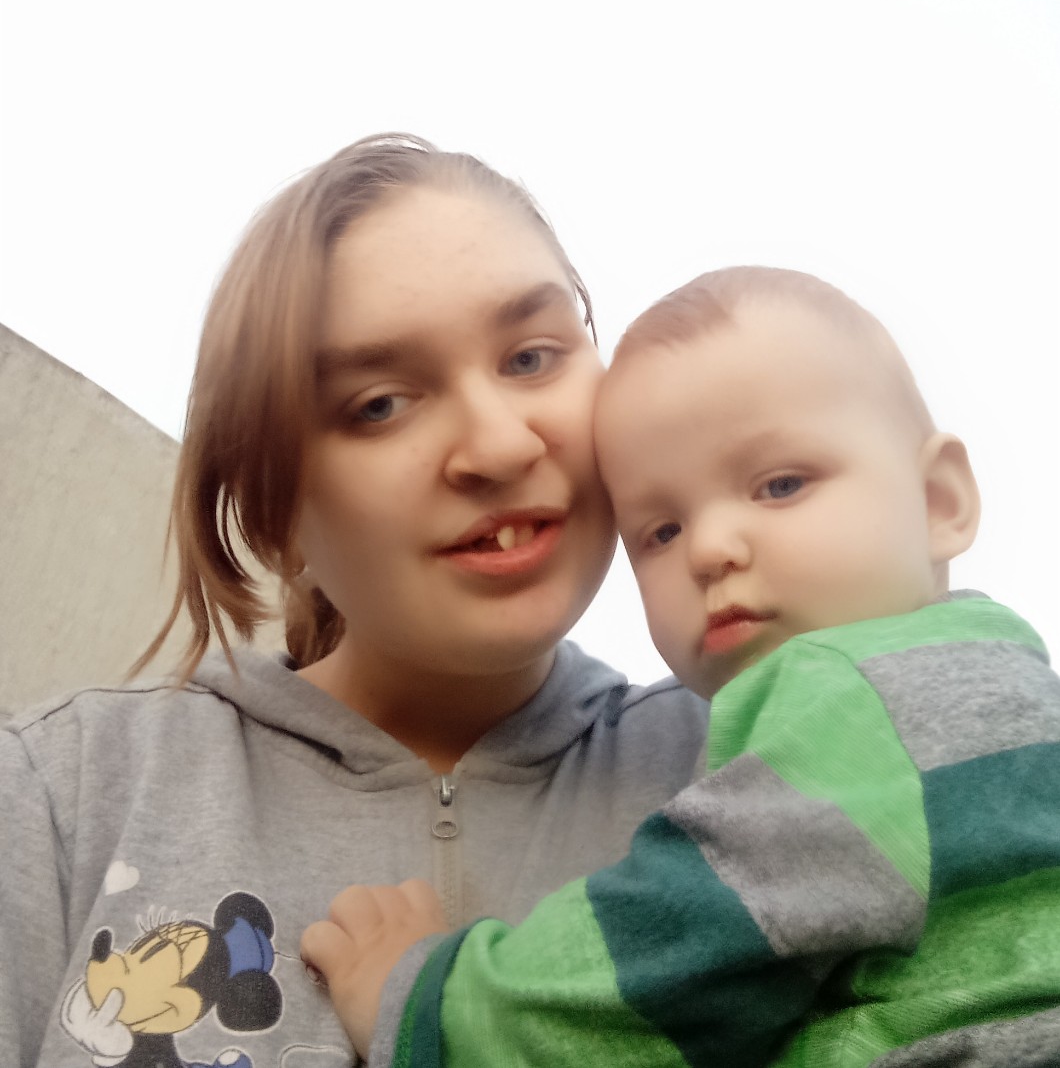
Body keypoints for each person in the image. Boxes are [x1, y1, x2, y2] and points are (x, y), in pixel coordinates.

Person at [0, 135, 709, 1068]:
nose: (499, 444)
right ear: (274, 510)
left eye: (532, 356)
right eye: (379, 403)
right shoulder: (60, 792)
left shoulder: (756, 766)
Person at [303, 266, 1060, 1067]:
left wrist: (430, 999)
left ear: (940, 500)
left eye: (780, 484)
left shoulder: (856, 703)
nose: (709, 549)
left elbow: (665, 966)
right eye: (660, 531)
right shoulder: (1000, 677)